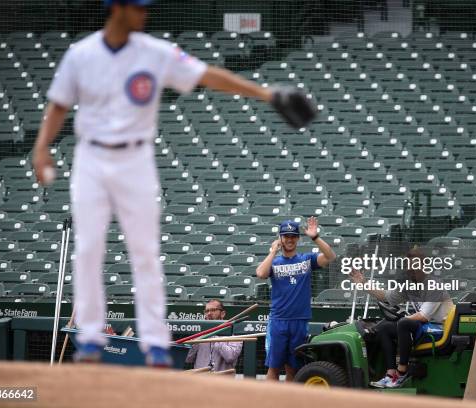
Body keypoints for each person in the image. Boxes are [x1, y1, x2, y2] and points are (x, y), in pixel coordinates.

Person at [32, 0, 315, 367]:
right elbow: (57, 105)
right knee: (88, 248)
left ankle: (153, 343)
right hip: (91, 157)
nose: (144, 13)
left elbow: (209, 75)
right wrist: (41, 148)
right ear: (116, 8)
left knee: (145, 252)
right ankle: (88, 338)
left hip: (136, 158)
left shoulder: (155, 52)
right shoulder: (81, 55)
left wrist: (266, 93)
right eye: (137, 7)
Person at [349, 246, 453, 388]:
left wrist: (401, 321)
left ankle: (402, 372)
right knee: (384, 326)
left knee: (403, 323)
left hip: (440, 329)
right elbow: (386, 297)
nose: (410, 270)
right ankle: (391, 374)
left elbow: (423, 316)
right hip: (423, 327)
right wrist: (364, 284)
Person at [256, 217, 336, 381]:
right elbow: (261, 274)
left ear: (298, 238)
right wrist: (273, 251)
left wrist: (315, 237)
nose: (290, 240)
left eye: (293, 236)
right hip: (279, 320)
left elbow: (330, 256)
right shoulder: (275, 261)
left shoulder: (306, 259)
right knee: (274, 367)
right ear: (281, 239)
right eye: (286, 236)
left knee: (294, 368)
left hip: (299, 320)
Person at [185, 300, 242, 372]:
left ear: (223, 313)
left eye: (213, 310)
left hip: (222, 380)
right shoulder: (199, 333)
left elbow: (230, 357)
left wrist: (215, 336)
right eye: (206, 311)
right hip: (201, 378)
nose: (209, 313)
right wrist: (194, 342)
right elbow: (188, 359)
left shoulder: (234, 333)